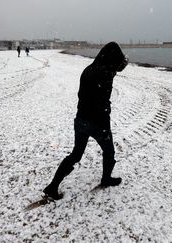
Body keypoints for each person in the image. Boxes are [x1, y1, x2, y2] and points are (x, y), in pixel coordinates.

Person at [43, 42, 128, 200]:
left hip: (80, 120)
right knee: (109, 151)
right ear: (112, 59)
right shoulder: (105, 73)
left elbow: (83, 95)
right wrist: (104, 126)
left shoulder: (88, 69)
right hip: (97, 123)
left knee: (75, 155)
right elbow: (102, 104)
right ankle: (106, 178)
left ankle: (52, 186)